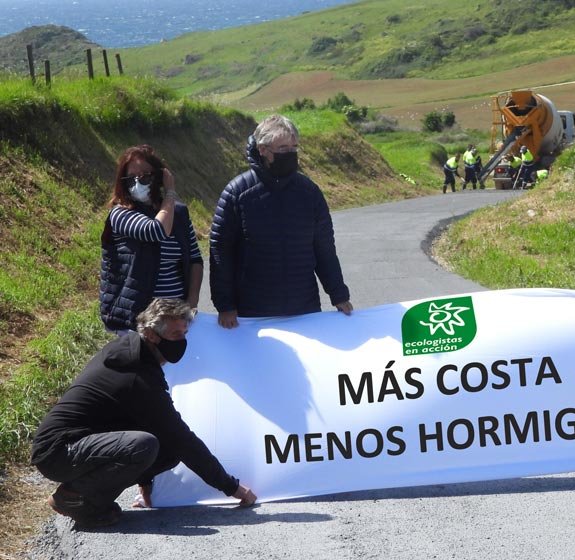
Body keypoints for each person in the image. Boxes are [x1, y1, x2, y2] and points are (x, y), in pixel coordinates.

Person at [31, 299, 257, 528]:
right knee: (146, 444)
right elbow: (181, 437)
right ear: (150, 334)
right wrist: (232, 487)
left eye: (184, 333)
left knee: (166, 450)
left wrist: (146, 483)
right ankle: (75, 498)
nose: (181, 341)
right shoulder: (135, 374)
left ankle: (86, 496)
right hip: (58, 452)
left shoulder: (133, 352)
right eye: (175, 334)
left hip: (79, 443)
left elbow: (144, 422)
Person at [209, 114, 352, 328]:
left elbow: (324, 249)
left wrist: (339, 294)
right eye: (284, 148)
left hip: (305, 306)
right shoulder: (237, 193)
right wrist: (225, 305)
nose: (291, 153)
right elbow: (220, 252)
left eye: (294, 147)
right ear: (263, 149)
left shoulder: (309, 192)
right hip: (252, 310)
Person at [99, 145, 203, 333]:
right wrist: (170, 193)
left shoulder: (178, 213)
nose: (138, 182)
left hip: (176, 316)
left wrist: (192, 301)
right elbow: (156, 231)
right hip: (137, 318)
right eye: (131, 178)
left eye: (146, 175)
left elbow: (195, 258)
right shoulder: (121, 213)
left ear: (159, 177)